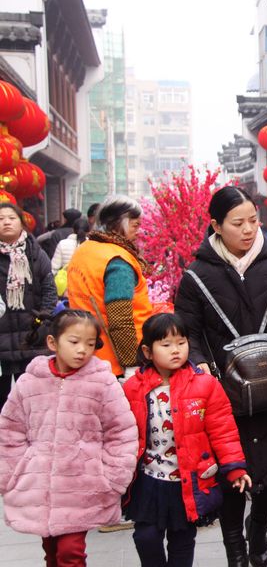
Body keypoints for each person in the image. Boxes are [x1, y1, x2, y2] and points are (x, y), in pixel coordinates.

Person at [175, 186, 267, 567]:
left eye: (254, 220)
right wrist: (199, 362)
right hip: (224, 391)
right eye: (238, 223)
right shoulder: (196, 276)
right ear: (216, 226)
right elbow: (185, 330)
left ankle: (259, 531)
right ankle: (235, 550)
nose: (249, 230)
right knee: (230, 472)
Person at [0, 310, 138, 567]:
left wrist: (112, 477)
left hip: (83, 486)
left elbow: (121, 431)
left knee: (70, 552)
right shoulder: (30, 382)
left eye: (89, 344)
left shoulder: (102, 383)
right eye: (74, 342)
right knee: (51, 552)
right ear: (53, 342)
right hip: (40, 486)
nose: (82, 350)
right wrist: (12, 472)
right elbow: (10, 429)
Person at [123, 313, 252, 567]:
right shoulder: (132, 388)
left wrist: (235, 467)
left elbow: (223, 429)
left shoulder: (205, 385)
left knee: (182, 539)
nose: (175, 350)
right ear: (148, 352)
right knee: (145, 536)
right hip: (149, 479)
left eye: (181, 343)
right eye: (166, 344)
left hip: (188, 480)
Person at [66, 196, 153, 379]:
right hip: (114, 362)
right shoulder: (117, 261)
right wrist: (131, 364)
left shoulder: (85, 250)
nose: (139, 231)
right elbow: (120, 318)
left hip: (85, 353)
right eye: (135, 225)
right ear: (120, 223)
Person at [0, 202, 56, 409]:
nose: (6, 222)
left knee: (34, 396)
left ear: (22, 223)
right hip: (2, 337)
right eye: (1, 219)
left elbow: (49, 289)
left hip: (31, 334)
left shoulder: (35, 253)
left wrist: (42, 318)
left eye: (11, 218)